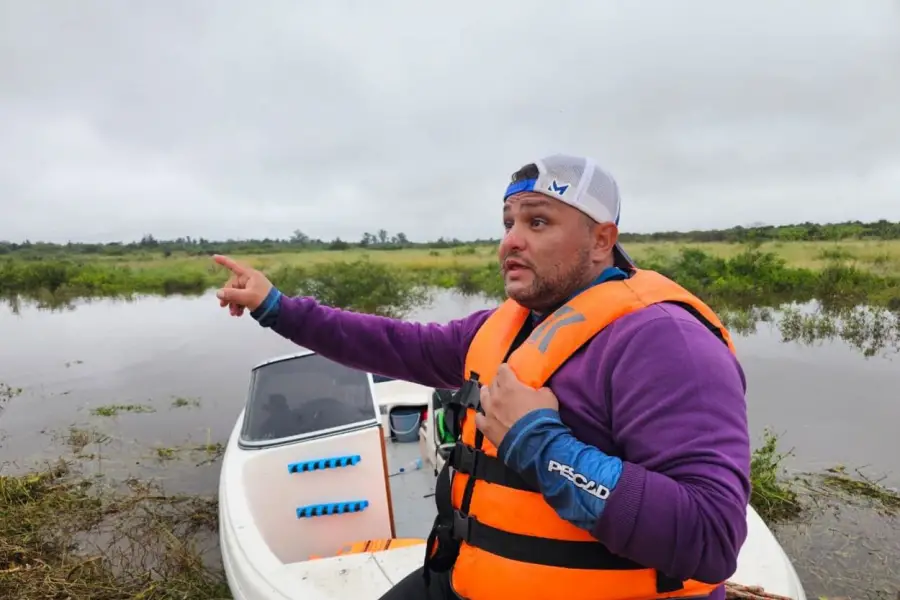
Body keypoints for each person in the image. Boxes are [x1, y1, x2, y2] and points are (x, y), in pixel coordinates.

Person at [213, 154, 751, 600]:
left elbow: (710, 536)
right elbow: (393, 344)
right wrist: (276, 307)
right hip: (469, 578)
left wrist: (537, 442)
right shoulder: (509, 327)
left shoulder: (663, 341)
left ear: (601, 240)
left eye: (537, 222)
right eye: (508, 223)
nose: (510, 242)